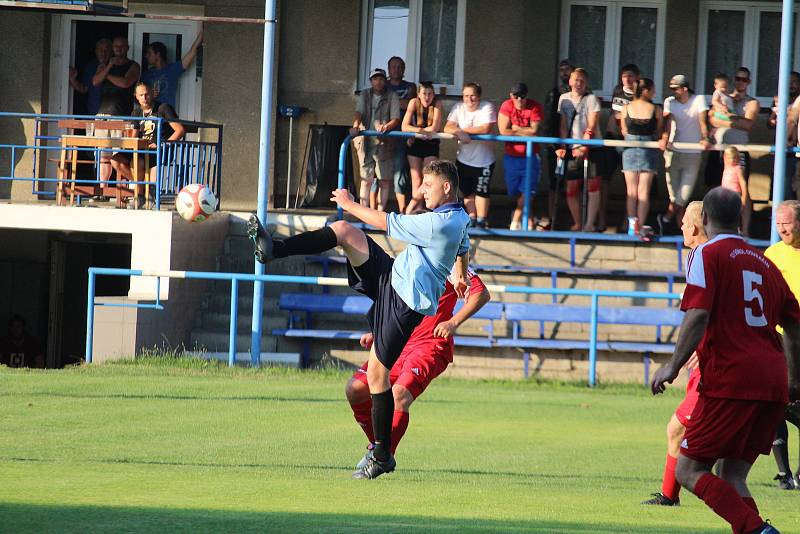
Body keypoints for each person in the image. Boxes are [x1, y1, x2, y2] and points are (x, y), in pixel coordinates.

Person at [248, 159, 470, 479]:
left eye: (428, 185)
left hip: (405, 303)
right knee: (343, 231)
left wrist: (351, 204)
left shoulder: (439, 224)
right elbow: (464, 242)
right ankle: (274, 249)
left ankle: (382, 455)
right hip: (394, 277)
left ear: (446, 187)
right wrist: (460, 271)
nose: (421, 190)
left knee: (377, 376)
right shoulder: (459, 215)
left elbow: (385, 221)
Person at [651, 187, 800, 534]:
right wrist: (793, 377)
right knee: (732, 476)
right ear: (740, 218)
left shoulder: (707, 254)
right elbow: (794, 322)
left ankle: (760, 531)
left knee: (689, 469)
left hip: (733, 378)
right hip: (772, 380)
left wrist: (673, 365)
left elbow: (698, 313)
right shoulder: (764, 261)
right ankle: (755, 529)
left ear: (704, 219)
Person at [346, 265, 490, 467]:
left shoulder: (449, 261)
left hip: (429, 346)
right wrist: (379, 333)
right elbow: (394, 302)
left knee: (399, 395)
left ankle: (380, 458)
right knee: (355, 389)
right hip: (399, 341)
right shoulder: (408, 261)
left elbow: (481, 293)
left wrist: (453, 322)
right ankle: (378, 446)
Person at [642, 200, 707, 506]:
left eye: (683, 222)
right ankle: (670, 495)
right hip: (709, 362)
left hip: (716, 365)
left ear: (694, 227)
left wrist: (699, 345)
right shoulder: (698, 256)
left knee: (679, 429)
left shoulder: (704, 258)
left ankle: (672, 496)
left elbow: (704, 312)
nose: (680, 226)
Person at [765, 200, 800, 489]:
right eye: (777, 224)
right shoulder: (773, 255)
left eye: (786, 223)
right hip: (780, 341)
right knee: (778, 404)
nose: (781, 229)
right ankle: (783, 472)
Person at [111, 82, 185, 209]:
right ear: (136, 97)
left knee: (138, 162)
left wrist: (163, 144)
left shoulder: (163, 108)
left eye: (147, 94)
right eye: (141, 95)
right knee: (115, 160)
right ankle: (143, 190)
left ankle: (142, 195)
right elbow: (133, 136)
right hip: (141, 149)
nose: (144, 98)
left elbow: (180, 130)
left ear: (152, 94)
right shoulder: (136, 112)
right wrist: (127, 143)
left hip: (160, 149)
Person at [706, 67, 759, 234]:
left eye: (744, 79)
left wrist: (724, 119)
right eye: (737, 78)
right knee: (716, 187)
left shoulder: (752, 102)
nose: (740, 82)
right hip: (721, 148)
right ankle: (718, 228)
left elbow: (748, 125)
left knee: (742, 190)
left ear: (749, 82)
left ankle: (745, 229)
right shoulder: (723, 97)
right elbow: (711, 118)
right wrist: (735, 120)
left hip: (739, 151)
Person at [658, 74, 711, 235]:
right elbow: (668, 123)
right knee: (675, 196)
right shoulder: (670, 102)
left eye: (676, 89)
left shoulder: (698, 100)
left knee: (683, 195)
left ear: (685, 88)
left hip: (693, 153)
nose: (673, 92)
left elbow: (703, 121)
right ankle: (680, 227)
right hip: (674, 152)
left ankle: (665, 219)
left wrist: (705, 138)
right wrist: (664, 138)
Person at [554, 68, 602, 232]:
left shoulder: (591, 99)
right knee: (571, 188)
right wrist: (563, 146)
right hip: (571, 148)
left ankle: (589, 224)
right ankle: (577, 222)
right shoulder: (563, 99)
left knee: (593, 186)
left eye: (582, 80)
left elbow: (592, 124)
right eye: (576, 80)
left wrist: (584, 144)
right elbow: (562, 124)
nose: (579, 83)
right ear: (570, 81)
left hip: (591, 148)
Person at [444, 82, 497, 228]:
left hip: (484, 160)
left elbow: (485, 128)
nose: (469, 99)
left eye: (472, 95)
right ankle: (472, 218)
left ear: (479, 96)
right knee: (466, 191)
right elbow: (448, 126)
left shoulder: (487, 107)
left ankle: (481, 220)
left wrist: (462, 130)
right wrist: (459, 132)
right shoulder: (458, 107)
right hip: (464, 159)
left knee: (482, 191)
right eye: (466, 95)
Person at [350, 68, 401, 212]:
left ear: (385, 80)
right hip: (365, 142)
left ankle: (380, 213)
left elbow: (396, 118)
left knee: (384, 181)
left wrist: (387, 126)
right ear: (371, 81)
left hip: (384, 143)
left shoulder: (392, 95)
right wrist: (355, 126)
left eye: (381, 79)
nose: (378, 82)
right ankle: (363, 212)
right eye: (375, 79)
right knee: (366, 179)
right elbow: (358, 112)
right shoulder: (365, 94)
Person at [598, 64, 640, 232]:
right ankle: (601, 220)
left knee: (630, 185)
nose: (627, 79)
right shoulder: (617, 90)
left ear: (637, 77)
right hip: (611, 140)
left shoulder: (639, 96)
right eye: (624, 76)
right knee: (604, 180)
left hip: (628, 142)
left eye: (630, 76)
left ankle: (626, 222)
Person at [497, 82, 543, 230]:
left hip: (530, 156)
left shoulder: (534, 106)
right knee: (516, 191)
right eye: (516, 96)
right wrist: (524, 130)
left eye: (522, 96)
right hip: (511, 156)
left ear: (526, 96)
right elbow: (503, 131)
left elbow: (534, 131)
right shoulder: (507, 105)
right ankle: (529, 219)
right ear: (511, 96)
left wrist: (515, 128)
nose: (519, 100)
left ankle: (515, 221)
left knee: (527, 190)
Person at [620, 78, 662, 237]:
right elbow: (658, 131)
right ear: (646, 91)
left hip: (629, 148)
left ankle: (632, 226)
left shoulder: (626, 108)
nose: (654, 93)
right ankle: (641, 225)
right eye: (653, 90)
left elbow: (624, 130)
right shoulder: (655, 109)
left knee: (631, 191)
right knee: (643, 191)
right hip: (648, 148)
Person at [401, 81, 443, 214]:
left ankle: (413, 206)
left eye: (430, 94)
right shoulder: (413, 102)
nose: (427, 97)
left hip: (430, 144)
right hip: (415, 143)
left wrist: (416, 132)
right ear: (419, 94)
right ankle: (417, 210)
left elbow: (435, 128)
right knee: (416, 179)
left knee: (428, 178)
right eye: (424, 93)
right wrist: (420, 131)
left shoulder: (437, 104)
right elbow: (404, 126)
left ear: (433, 94)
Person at [543, 59, 574, 229]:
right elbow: (548, 121)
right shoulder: (553, 94)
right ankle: (552, 218)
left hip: (575, 145)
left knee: (574, 183)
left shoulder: (583, 93)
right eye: (561, 70)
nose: (564, 73)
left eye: (567, 69)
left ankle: (574, 219)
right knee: (554, 183)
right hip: (557, 146)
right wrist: (553, 146)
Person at [384, 56, 417, 213]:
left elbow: (411, 103)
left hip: (402, 136)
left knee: (400, 172)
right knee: (379, 174)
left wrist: (391, 102)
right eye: (393, 67)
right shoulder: (382, 85)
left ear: (403, 70)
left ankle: (402, 210)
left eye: (399, 67)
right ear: (388, 69)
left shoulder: (410, 86)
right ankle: (375, 209)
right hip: (383, 135)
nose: (396, 69)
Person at [140, 27, 204, 109]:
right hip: (150, 112)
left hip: (167, 112)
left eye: (149, 53)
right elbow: (138, 94)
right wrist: (150, 94)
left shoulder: (172, 69)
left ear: (158, 54)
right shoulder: (146, 74)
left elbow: (192, 52)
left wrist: (202, 32)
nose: (146, 56)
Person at [93, 36, 141, 116]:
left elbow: (125, 83)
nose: (119, 48)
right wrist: (109, 66)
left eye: (122, 46)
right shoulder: (105, 64)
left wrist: (106, 75)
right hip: (102, 113)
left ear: (127, 48)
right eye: (116, 46)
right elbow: (95, 82)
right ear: (112, 48)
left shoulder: (134, 65)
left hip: (122, 114)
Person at [69, 38, 112, 116]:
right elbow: (84, 88)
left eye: (106, 50)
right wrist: (72, 79)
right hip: (94, 112)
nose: (103, 53)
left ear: (111, 52)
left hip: (113, 114)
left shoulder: (116, 66)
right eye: (100, 50)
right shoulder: (91, 66)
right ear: (96, 51)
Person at [720, 146, 750, 234]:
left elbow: (743, 182)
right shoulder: (726, 167)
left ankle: (736, 230)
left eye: (735, 158)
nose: (732, 160)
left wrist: (744, 195)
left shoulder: (738, 168)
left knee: (734, 213)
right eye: (730, 158)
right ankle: (726, 229)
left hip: (734, 194)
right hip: (725, 194)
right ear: (725, 158)